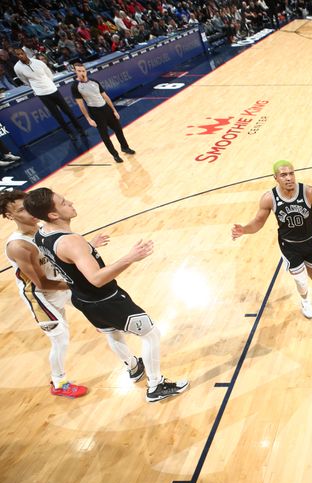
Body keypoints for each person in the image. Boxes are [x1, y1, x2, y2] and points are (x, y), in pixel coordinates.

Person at [23, 188, 188, 403]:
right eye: (63, 203)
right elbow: (97, 278)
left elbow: (64, 258)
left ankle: (133, 367)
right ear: (53, 214)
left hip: (83, 300)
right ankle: (156, 386)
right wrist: (130, 257)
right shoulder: (71, 242)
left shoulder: (41, 233)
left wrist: (88, 247)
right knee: (151, 334)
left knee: (113, 333)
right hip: (106, 300)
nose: (70, 202)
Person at [2, 190, 92, 397]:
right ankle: (59, 383)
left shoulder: (43, 228)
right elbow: (41, 283)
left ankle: (104, 323)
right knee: (61, 339)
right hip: (40, 295)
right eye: (21, 210)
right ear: (10, 216)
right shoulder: (19, 245)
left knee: (91, 301)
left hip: (59, 283)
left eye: (28, 205)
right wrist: (75, 283)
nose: (29, 212)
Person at [231, 160, 312, 318]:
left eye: (291, 173)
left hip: (311, 241)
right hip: (290, 246)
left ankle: (306, 275)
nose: (289, 178)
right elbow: (258, 223)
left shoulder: (308, 192)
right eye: (283, 175)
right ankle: (305, 301)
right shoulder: (269, 198)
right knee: (301, 281)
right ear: (275, 178)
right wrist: (244, 230)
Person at [12, 48, 84, 141]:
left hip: (52, 89)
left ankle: (80, 129)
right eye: (18, 55)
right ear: (16, 56)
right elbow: (25, 80)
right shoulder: (17, 68)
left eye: (21, 53)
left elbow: (49, 73)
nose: (21, 56)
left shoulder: (38, 62)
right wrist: (36, 87)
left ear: (25, 53)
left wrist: (48, 83)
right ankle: (70, 133)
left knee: (68, 111)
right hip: (41, 93)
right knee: (57, 115)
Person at [71, 62, 135, 163]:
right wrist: (88, 119)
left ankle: (125, 147)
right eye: (79, 71)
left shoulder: (94, 81)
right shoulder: (75, 86)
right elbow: (81, 104)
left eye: (83, 70)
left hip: (106, 108)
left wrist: (114, 110)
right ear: (75, 72)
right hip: (95, 112)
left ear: (85, 70)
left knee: (118, 129)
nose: (81, 73)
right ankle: (115, 154)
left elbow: (105, 96)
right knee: (105, 135)